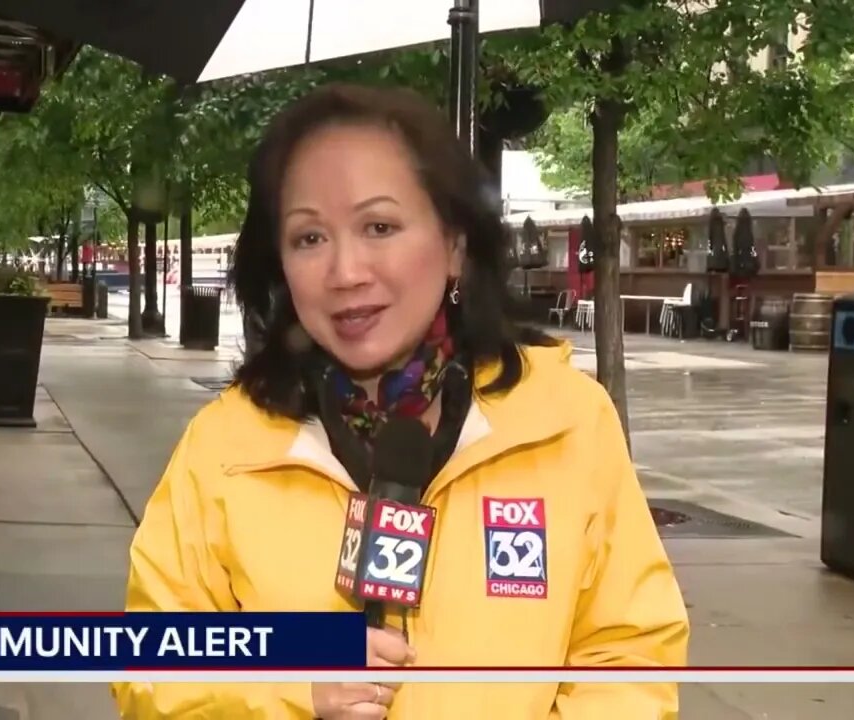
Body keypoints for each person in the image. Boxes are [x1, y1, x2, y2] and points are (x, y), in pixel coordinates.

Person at [112, 83, 689, 719]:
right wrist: (290, 689)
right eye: (309, 238)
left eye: (380, 226)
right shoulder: (225, 449)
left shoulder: (567, 423)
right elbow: (153, 675)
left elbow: (628, 655)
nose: (346, 271)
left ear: (454, 246)